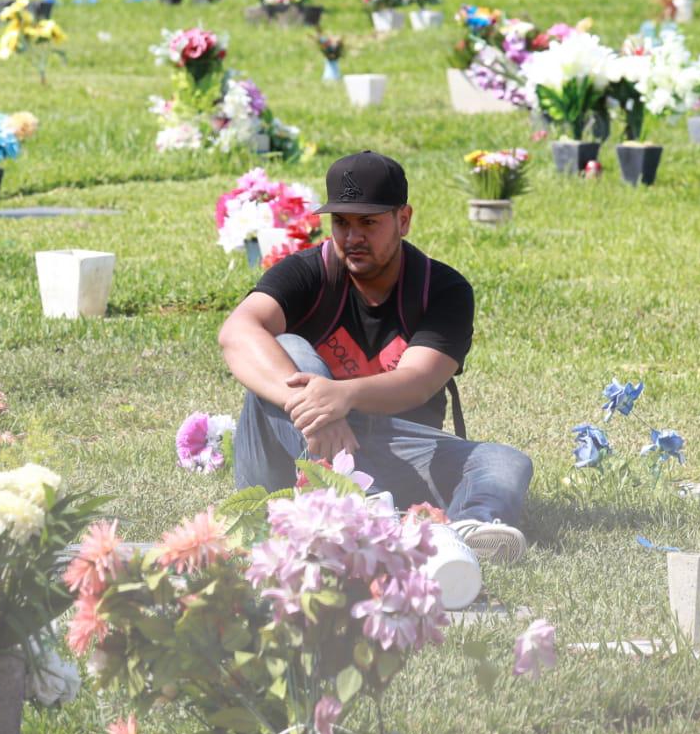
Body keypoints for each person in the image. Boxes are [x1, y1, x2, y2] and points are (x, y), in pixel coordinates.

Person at [221, 151, 534, 563]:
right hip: (291, 464)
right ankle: (355, 514)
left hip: (395, 451)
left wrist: (342, 396)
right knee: (289, 349)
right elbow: (236, 332)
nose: (352, 237)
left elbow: (419, 379)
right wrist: (320, 408)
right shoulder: (306, 272)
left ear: (403, 219)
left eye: (368, 222)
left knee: (505, 462)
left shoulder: (440, 289)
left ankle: (464, 533)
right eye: (342, 223)